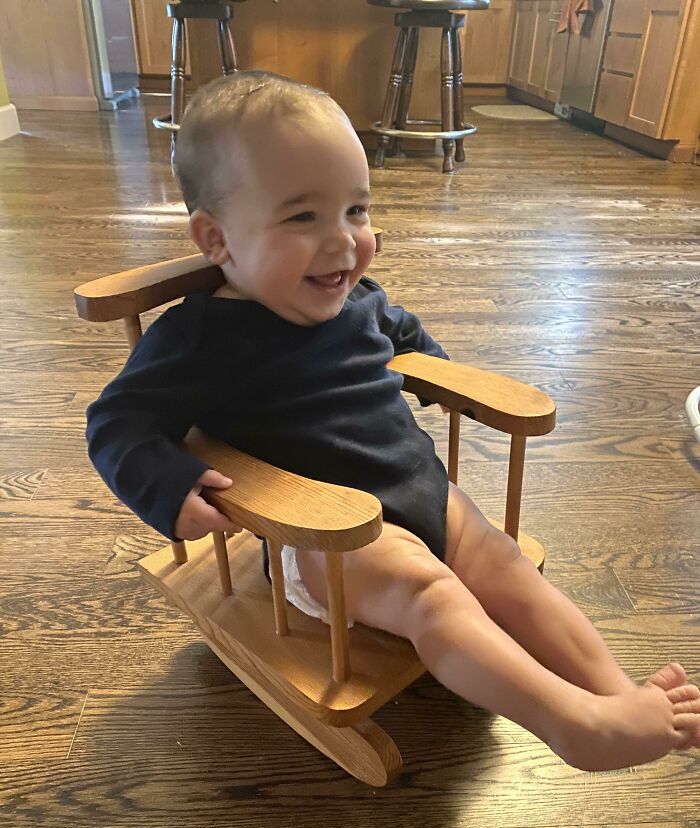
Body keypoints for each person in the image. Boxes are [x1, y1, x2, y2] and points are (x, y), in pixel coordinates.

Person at [86, 71, 700, 773]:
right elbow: (115, 420)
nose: (344, 242)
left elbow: (402, 333)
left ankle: (619, 695)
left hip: (416, 486)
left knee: (498, 559)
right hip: (325, 537)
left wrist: (448, 380)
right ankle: (574, 723)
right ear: (216, 238)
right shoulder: (201, 338)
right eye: (302, 217)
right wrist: (171, 483)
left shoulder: (358, 299)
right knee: (431, 594)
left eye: (356, 209)